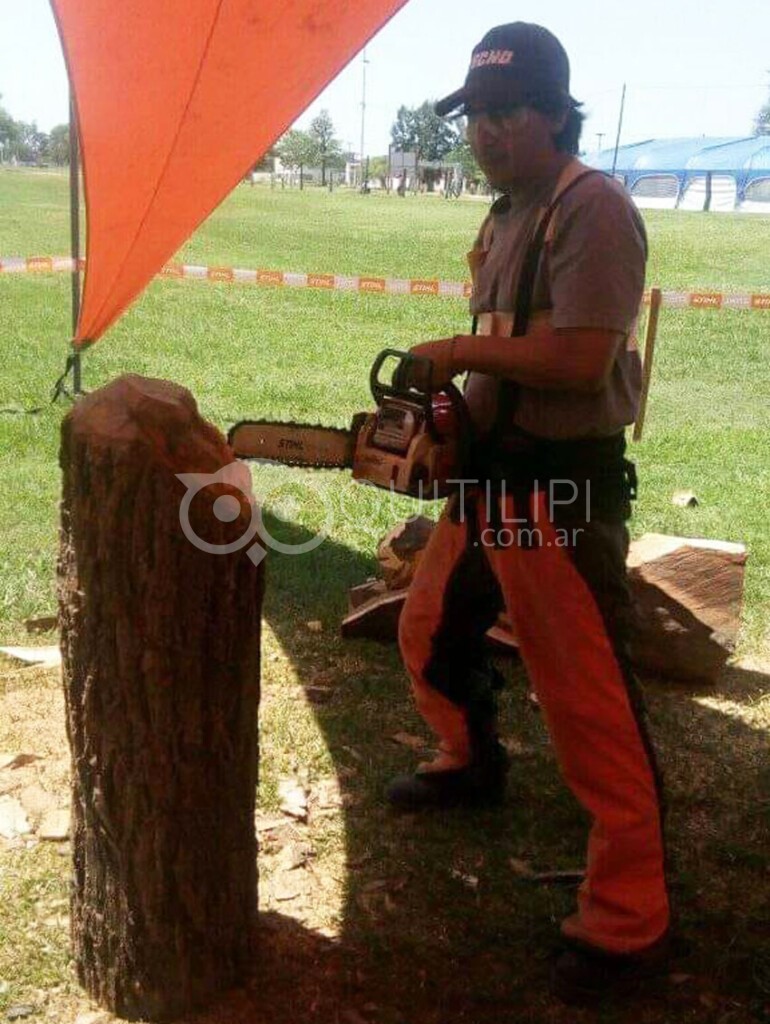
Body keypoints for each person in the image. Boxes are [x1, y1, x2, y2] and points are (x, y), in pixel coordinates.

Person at [388, 22, 670, 1005]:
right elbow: (504, 345)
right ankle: (468, 760)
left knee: (584, 699)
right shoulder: (504, 215)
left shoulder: (587, 210)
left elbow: (578, 358)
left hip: (550, 490)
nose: (487, 133)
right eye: (475, 116)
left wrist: (454, 358)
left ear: (553, 115)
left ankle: (628, 919)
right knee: (429, 628)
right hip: (493, 474)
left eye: (506, 114)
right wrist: (447, 421)